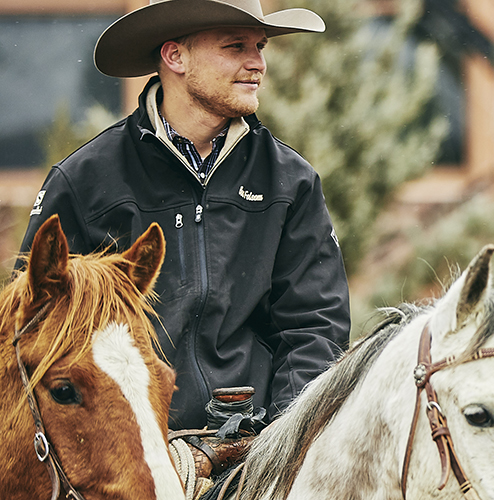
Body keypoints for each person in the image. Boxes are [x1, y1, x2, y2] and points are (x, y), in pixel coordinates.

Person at [18, 0, 348, 435]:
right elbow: (36, 333)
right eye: (235, 47)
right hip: (129, 458)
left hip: (258, 453)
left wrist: (278, 441)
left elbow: (315, 327)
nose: (258, 64)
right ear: (175, 57)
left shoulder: (291, 181)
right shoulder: (83, 182)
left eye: (260, 46)